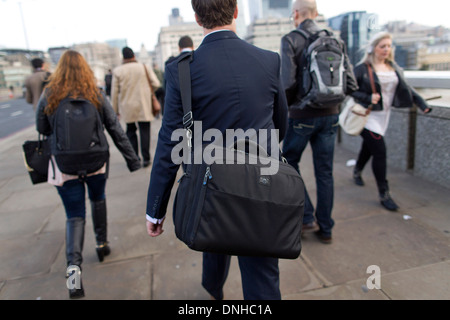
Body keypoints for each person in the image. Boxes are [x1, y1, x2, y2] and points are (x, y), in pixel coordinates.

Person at [145, 0, 288, 300]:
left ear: (197, 18)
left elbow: (170, 143)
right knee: (262, 277)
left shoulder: (181, 71)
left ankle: (213, 291)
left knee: (213, 242)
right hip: (260, 184)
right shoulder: (269, 60)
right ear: (235, 11)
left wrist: (155, 208)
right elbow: (281, 125)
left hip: (208, 186)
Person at [36, 50, 141, 299]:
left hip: (64, 164)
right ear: (84, 69)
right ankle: (102, 244)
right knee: (98, 199)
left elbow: (41, 127)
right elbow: (115, 128)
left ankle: (73, 274)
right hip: (96, 161)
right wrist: (132, 160)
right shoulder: (94, 92)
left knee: (74, 216)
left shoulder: (50, 93)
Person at [280, 0, 357, 244]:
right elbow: (352, 84)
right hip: (331, 115)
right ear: (316, 13)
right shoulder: (336, 41)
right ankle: (326, 229)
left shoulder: (291, 39)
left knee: (289, 164)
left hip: (302, 115)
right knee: (325, 172)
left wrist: (290, 109)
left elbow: (287, 84)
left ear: (295, 14)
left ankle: (306, 217)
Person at [351, 31, 432, 211]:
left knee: (369, 147)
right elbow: (348, 90)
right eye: (382, 46)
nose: (386, 49)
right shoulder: (362, 68)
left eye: (389, 46)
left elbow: (406, 88)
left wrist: (421, 104)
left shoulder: (393, 67)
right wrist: (367, 97)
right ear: (373, 48)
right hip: (367, 116)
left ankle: (357, 170)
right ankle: (384, 193)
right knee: (379, 151)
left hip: (384, 116)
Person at [111, 47, 161, 168]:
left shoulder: (118, 71)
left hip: (127, 105)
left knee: (130, 131)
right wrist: (147, 92)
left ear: (123, 57)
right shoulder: (144, 67)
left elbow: (114, 93)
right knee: (145, 131)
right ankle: (146, 158)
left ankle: (135, 158)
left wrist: (115, 111)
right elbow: (156, 83)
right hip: (143, 103)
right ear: (134, 55)